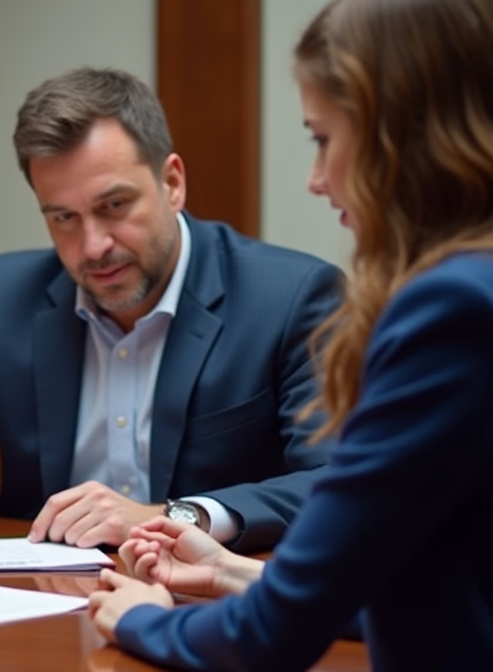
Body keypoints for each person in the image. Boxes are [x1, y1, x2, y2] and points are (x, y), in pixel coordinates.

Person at [87, 0, 493, 669]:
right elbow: (433, 587)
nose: (315, 179)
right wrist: (231, 572)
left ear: (399, 134)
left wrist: (142, 621)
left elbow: (272, 638)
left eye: (322, 138)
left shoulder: (449, 310)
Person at [0, 67, 343, 554]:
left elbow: (336, 482)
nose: (92, 246)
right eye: (64, 217)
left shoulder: (290, 298)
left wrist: (170, 518)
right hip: (39, 594)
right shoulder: (1, 298)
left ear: (172, 183)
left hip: (209, 593)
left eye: (114, 206)